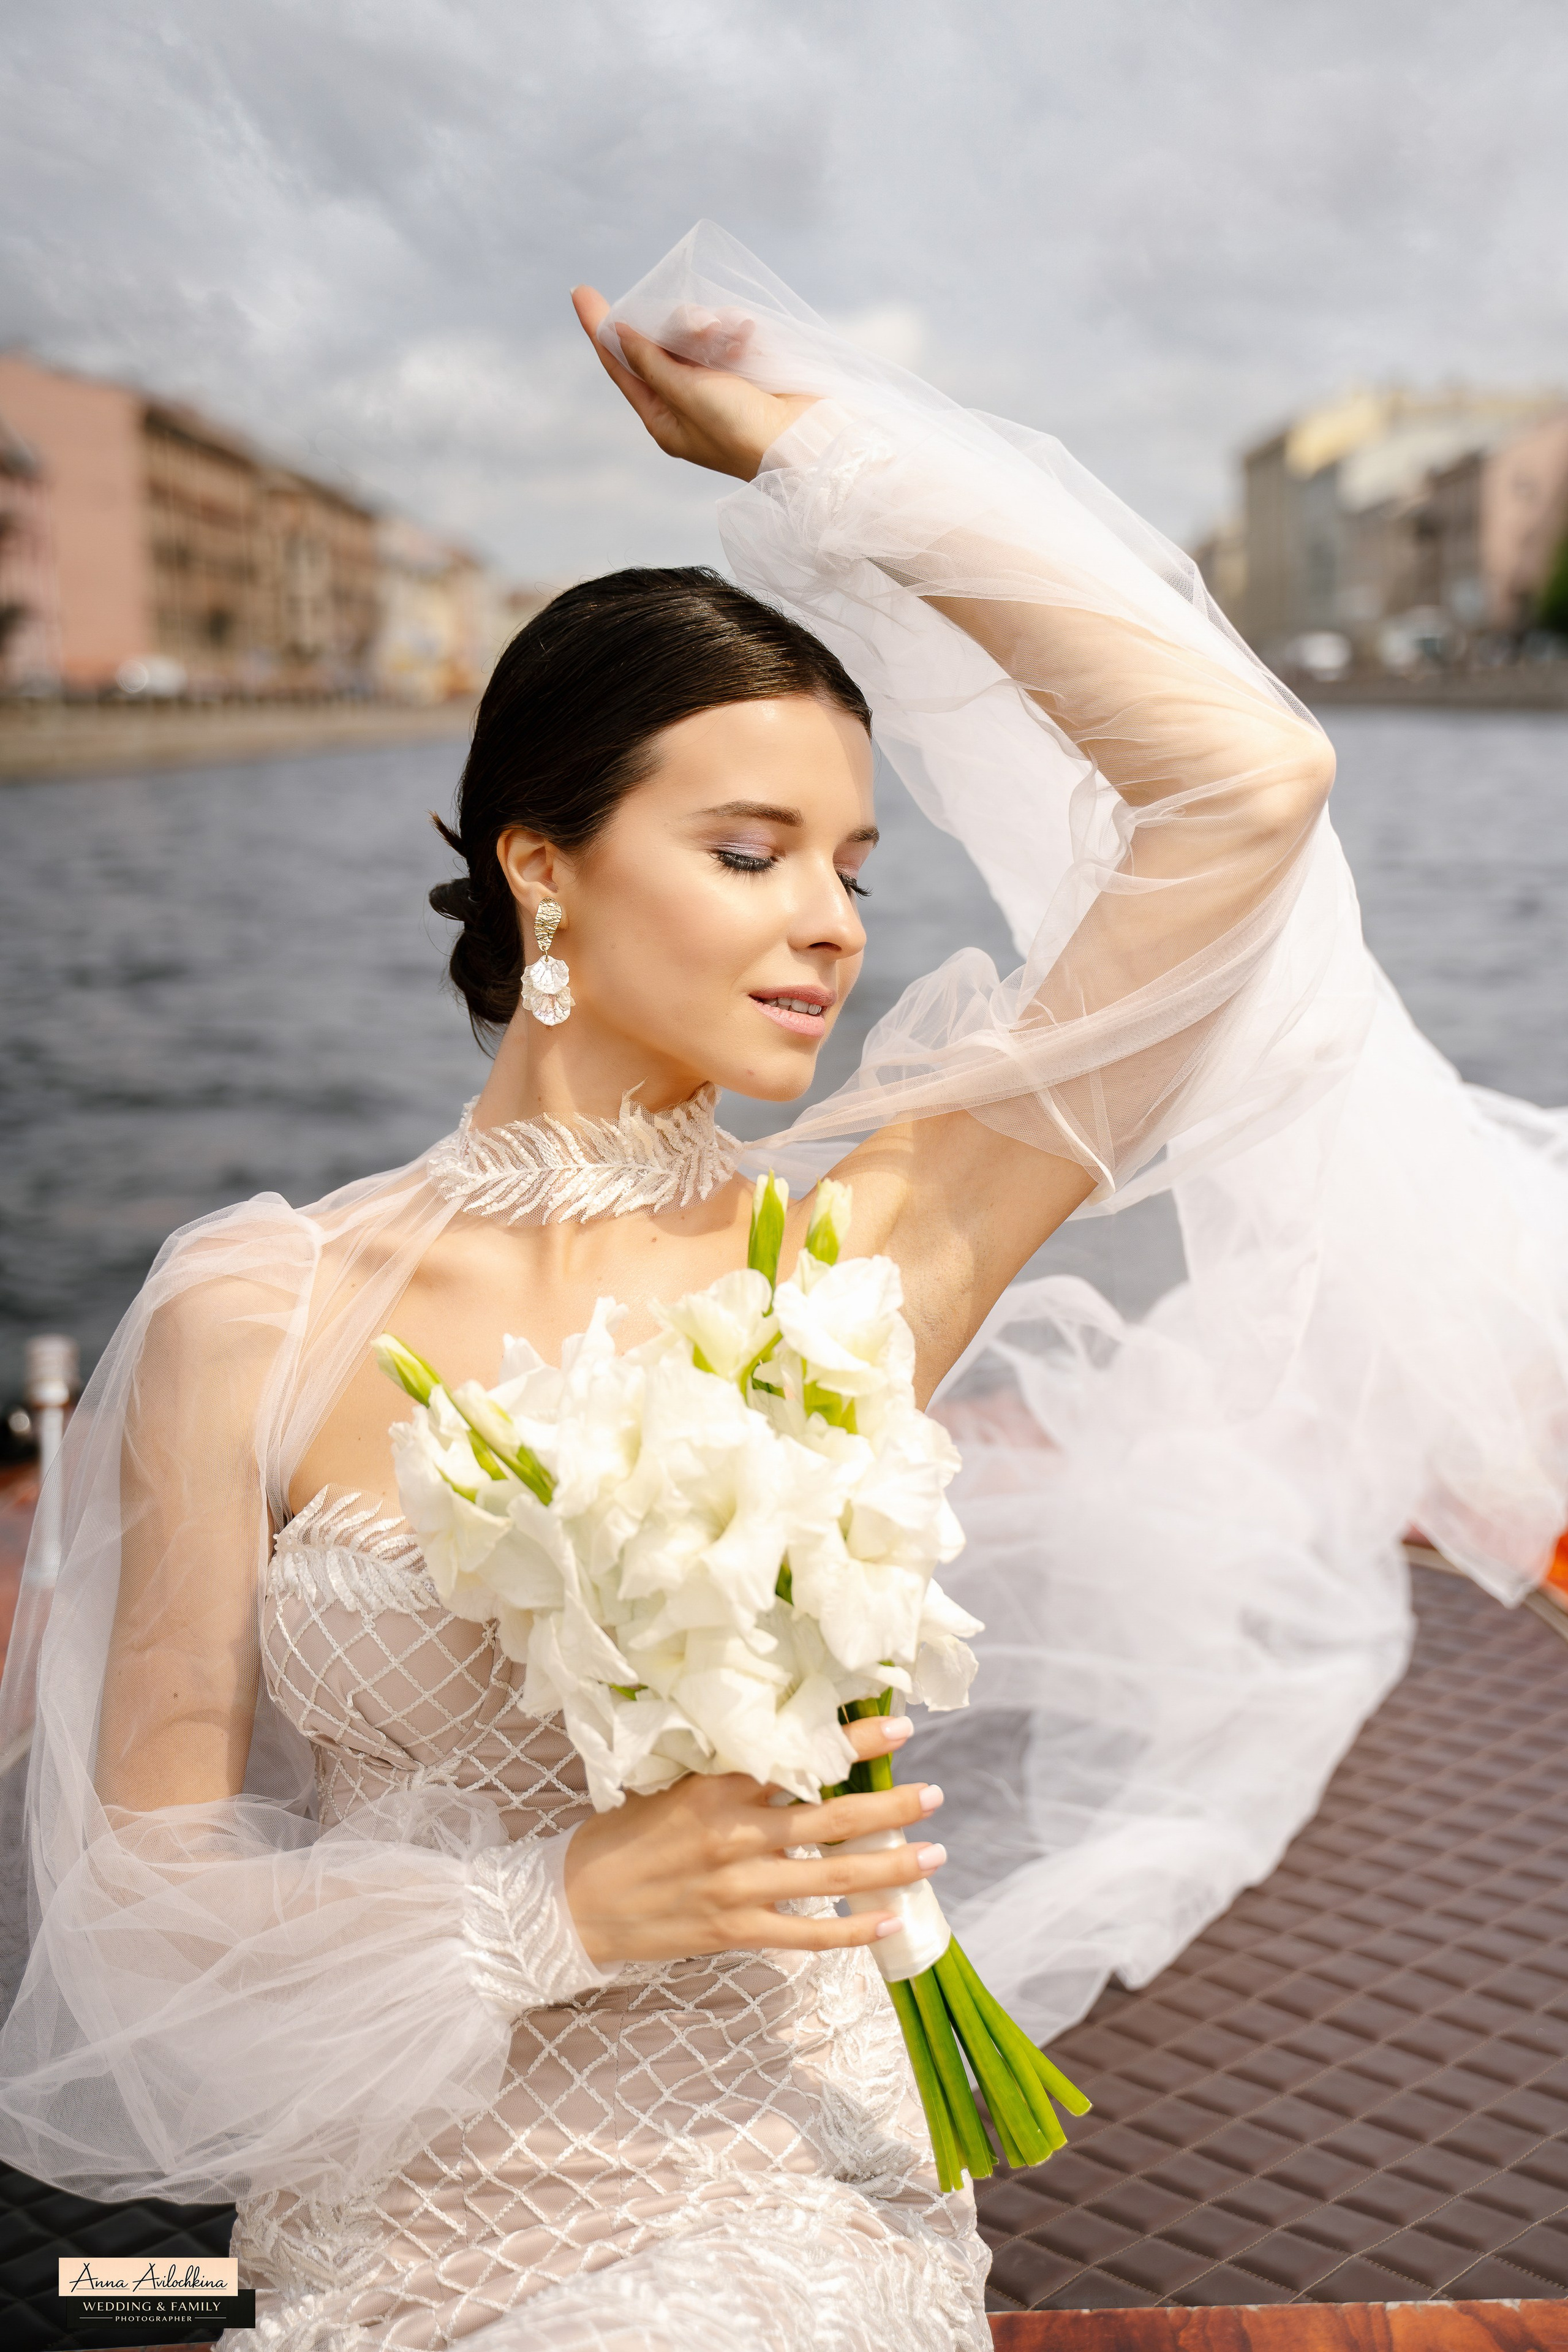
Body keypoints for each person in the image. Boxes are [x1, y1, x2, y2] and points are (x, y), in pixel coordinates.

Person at [0, 225, 1562, 2351]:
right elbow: (149, 1901)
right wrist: (538, 1912)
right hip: (394, 2191)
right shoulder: (248, 1313)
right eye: (750, 853)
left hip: (768, 2185)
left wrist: (821, 464)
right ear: (543, 862)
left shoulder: (855, 1248)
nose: (826, 921)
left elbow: (1245, 782)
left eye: (855, 865)